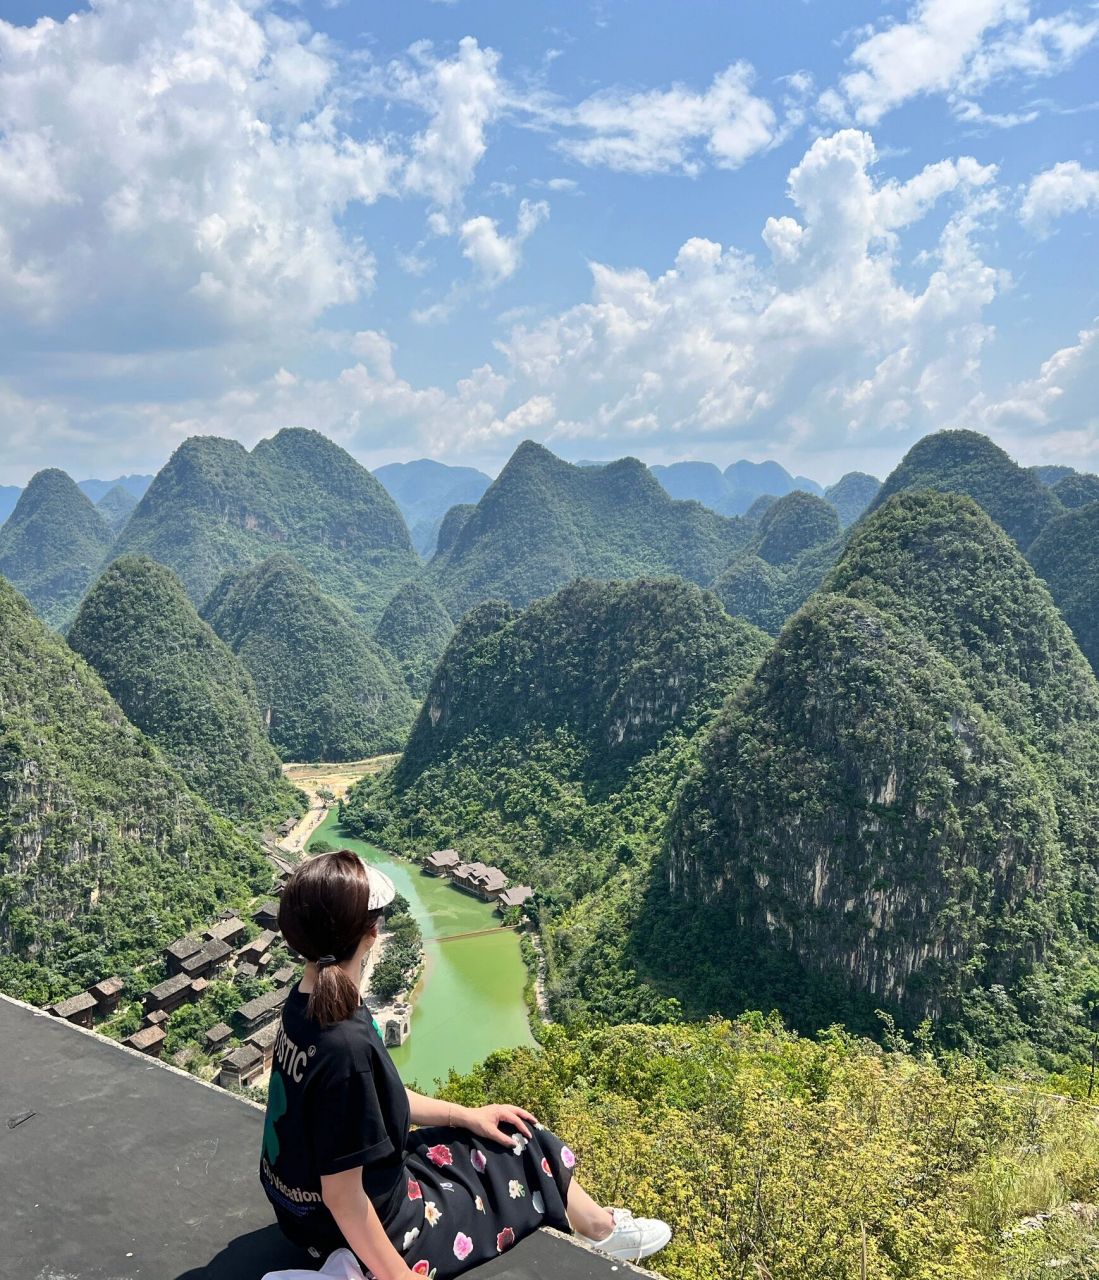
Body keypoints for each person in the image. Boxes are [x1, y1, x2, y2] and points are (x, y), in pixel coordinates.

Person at [260, 850, 672, 1279]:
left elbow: (376, 1101)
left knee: (498, 1131)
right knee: (519, 1143)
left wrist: (466, 1116)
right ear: (372, 932)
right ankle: (602, 1230)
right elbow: (343, 1197)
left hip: (301, 1216)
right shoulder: (345, 1041)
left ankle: (598, 1227)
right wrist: (399, 1276)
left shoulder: (307, 1004)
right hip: (358, 1226)